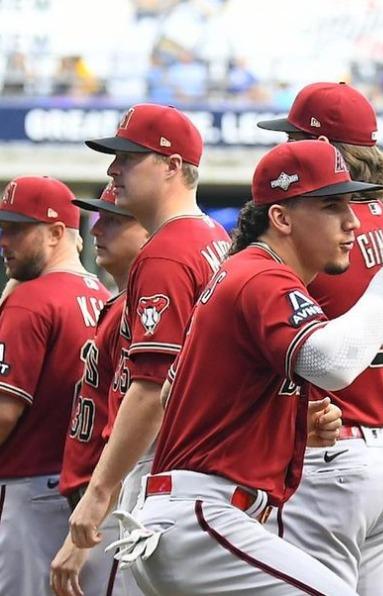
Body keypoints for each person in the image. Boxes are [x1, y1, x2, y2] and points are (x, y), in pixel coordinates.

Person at [111, 139, 383, 594]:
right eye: (331, 206)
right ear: (281, 218)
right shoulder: (262, 275)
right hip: (202, 520)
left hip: (193, 516)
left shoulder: (252, 271)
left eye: (352, 203)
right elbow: (334, 364)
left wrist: (290, 422)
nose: (352, 221)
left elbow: (176, 395)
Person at [257, 82, 383, 594]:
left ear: (322, 149)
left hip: (329, 452)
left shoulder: (312, 229)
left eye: (294, 140)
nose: (283, 152)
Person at [70, 103, 233, 552]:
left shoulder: (165, 253)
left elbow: (151, 389)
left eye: (128, 158)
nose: (113, 169)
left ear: (173, 166)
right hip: (212, 462)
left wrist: (101, 490)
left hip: (169, 465)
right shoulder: (215, 236)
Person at [0, 176, 111, 595]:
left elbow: (4, 412)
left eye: (16, 229)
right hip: (79, 494)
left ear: (55, 233)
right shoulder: (102, 294)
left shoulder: (32, 299)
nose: (4, 240)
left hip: (26, 493)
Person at [50, 184, 149, 596]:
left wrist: (88, 523)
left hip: (113, 504)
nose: (95, 230)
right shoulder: (116, 303)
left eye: (113, 219)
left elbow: (139, 427)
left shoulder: (145, 311)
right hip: (92, 500)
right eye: (97, 218)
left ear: (149, 232)